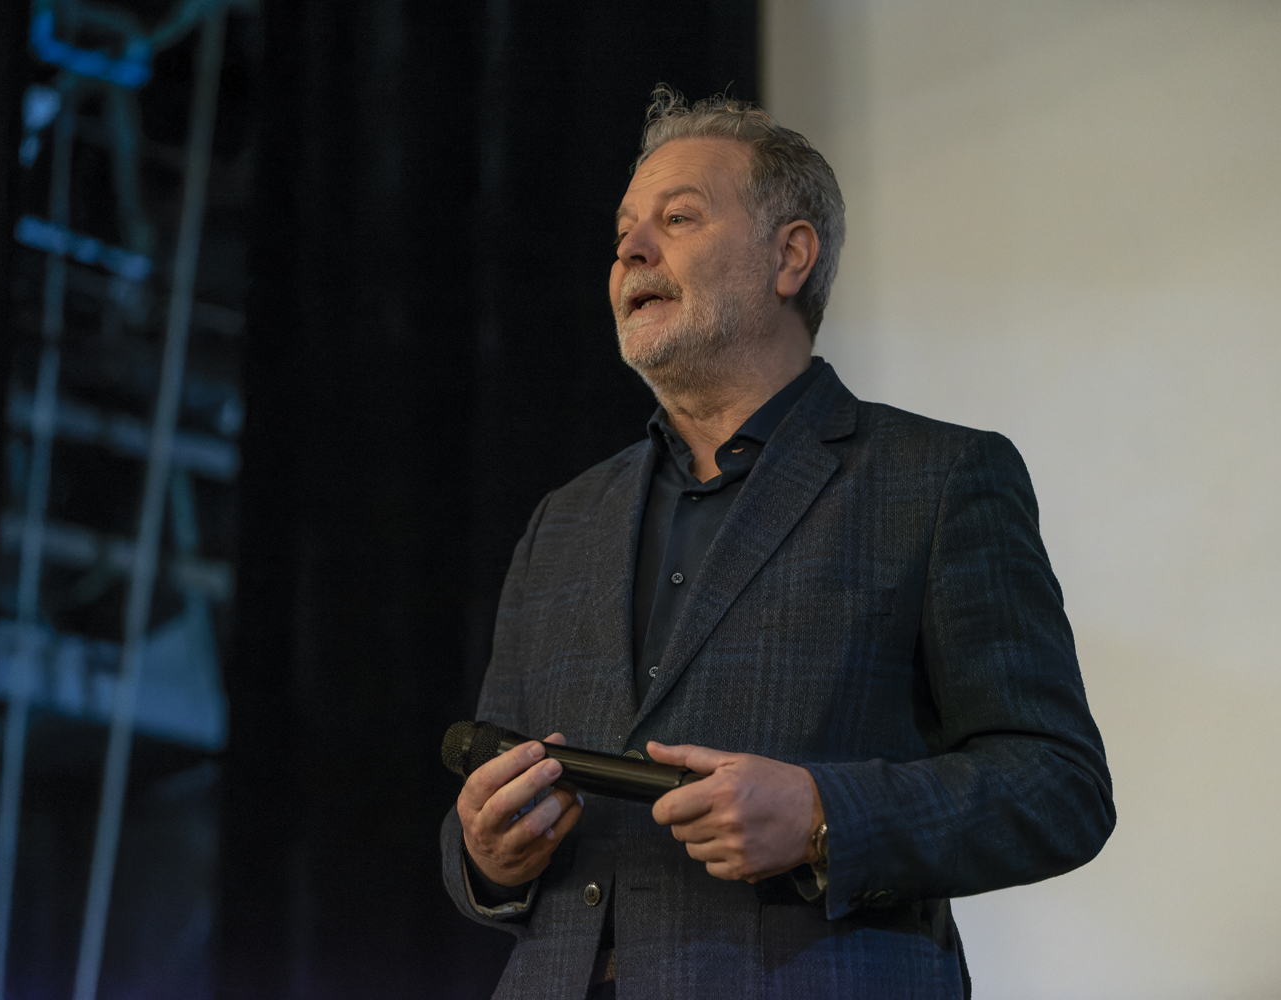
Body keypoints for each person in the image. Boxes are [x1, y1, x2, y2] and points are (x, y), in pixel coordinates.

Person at [440, 85, 1114, 1000]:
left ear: (791, 255)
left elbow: (1058, 786)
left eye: (677, 218)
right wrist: (486, 854)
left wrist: (823, 817)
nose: (633, 250)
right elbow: (486, 805)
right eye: (623, 233)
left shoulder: (938, 478)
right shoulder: (566, 519)